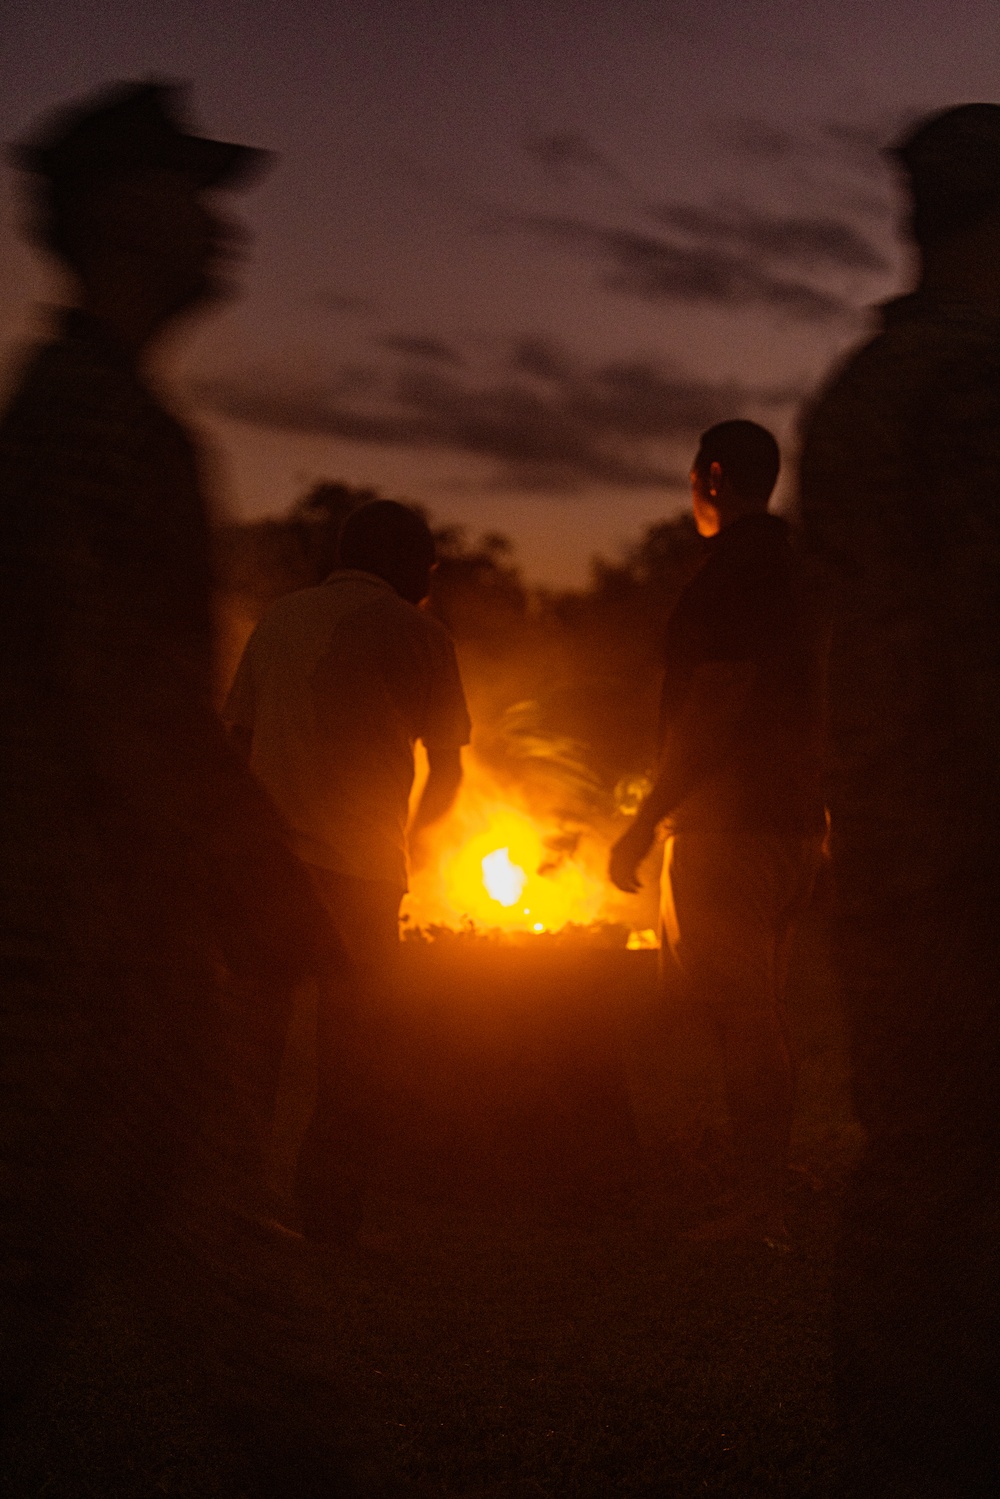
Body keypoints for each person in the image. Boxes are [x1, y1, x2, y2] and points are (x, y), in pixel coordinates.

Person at [0, 82, 349, 1494]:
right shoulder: (89, 427)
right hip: (80, 969)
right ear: (117, 214)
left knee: (213, 1289)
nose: (222, 226)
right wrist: (272, 894)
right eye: (191, 193)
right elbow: (133, 711)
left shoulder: (100, 414)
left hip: (115, 964)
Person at [799, 104, 1000, 1495]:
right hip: (971, 862)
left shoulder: (862, 390)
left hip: (887, 853)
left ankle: (885, 1418)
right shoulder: (973, 390)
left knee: (923, 1159)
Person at [225, 498, 471, 1242]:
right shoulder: (422, 633)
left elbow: (235, 742)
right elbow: (448, 768)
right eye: (427, 564)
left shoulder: (280, 619)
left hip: (270, 868)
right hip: (362, 874)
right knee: (353, 1055)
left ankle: (231, 1203)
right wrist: (418, 839)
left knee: (254, 1044)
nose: (430, 579)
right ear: (403, 560)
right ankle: (330, 1215)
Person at [609, 420, 826, 1247]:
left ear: (715, 475)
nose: (692, 489)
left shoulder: (737, 570)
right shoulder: (799, 569)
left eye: (695, 475)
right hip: (794, 820)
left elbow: (718, 703)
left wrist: (642, 819)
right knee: (760, 1014)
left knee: (745, 1019)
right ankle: (762, 1190)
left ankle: (758, 1207)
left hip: (736, 827)